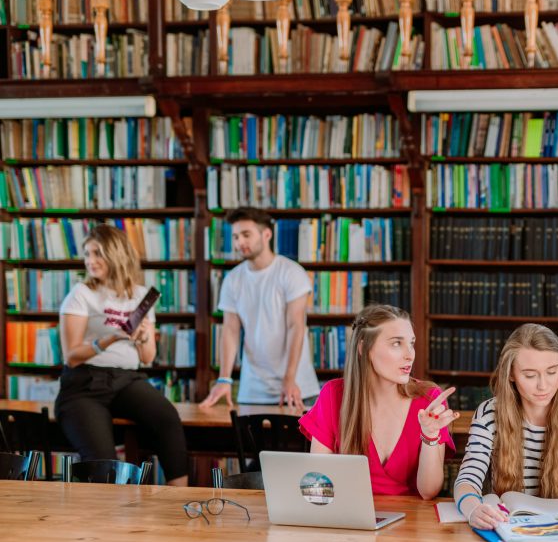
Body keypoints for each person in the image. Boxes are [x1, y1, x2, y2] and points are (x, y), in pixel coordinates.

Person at [56, 225, 189, 485]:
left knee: (167, 418)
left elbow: (148, 357)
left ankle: (180, 499)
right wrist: (113, 337)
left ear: (117, 255)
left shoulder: (141, 295)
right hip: (84, 384)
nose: (90, 261)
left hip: (126, 380)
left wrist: (143, 336)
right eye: (87, 254)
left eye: (98, 253)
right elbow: (71, 355)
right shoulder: (81, 294)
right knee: (104, 465)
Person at [453, 324, 558, 530]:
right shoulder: (489, 414)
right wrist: (473, 509)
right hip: (508, 531)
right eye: (530, 375)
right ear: (510, 373)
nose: (543, 385)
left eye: (552, 372)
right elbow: (468, 478)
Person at [299, 304, 457, 499]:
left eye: (411, 343)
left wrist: (430, 435)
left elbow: (428, 492)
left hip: (412, 523)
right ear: (364, 348)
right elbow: (318, 482)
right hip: (350, 519)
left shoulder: (429, 399)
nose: (410, 354)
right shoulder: (333, 395)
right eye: (396, 343)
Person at [199, 207, 319, 410]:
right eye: (236, 237)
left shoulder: (291, 272)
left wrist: (289, 379)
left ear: (266, 234)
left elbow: (296, 326)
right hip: (252, 390)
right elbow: (230, 331)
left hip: (297, 388)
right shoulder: (233, 279)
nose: (240, 242)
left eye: (246, 235)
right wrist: (224, 379)